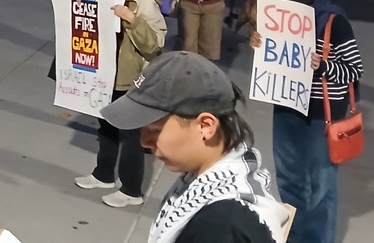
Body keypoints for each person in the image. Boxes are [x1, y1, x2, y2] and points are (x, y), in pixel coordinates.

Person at [101, 51, 291, 243]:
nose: (144, 141)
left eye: (154, 129)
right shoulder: (222, 175)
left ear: (205, 126)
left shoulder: (222, 227)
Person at [250, 0, 362, 243]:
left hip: (321, 115)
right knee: (288, 178)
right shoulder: (282, 18)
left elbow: (354, 70)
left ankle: (318, 238)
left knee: (321, 184)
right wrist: (260, 44)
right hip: (287, 107)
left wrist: (324, 67)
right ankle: (294, 235)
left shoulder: (336, 23)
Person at [72, 0, 167, 208]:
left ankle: (131, 190)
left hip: (129, 73)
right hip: (103, 71)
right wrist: (81, 1)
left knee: (130, 134)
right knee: (106, 125)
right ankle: (103, 175)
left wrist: (132, 19)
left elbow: (155, 43)